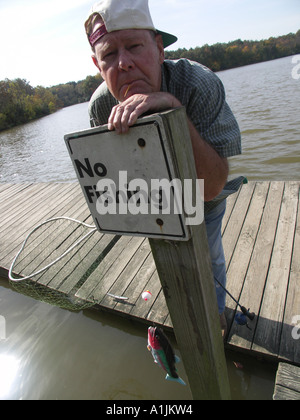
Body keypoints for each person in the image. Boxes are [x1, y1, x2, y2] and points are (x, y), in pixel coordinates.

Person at [84, 0, 244, 338]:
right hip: (158, 203)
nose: (124, 63)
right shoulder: (100, 106)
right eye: (109, 54)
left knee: (210, 254)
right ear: (98, 66)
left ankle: (215, 312)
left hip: (205, 200)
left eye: (134, 46)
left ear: (159, 49)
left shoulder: (198, 84)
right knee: (173, 261)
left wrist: (174, 110)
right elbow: (115, 186)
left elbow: (212, 186)